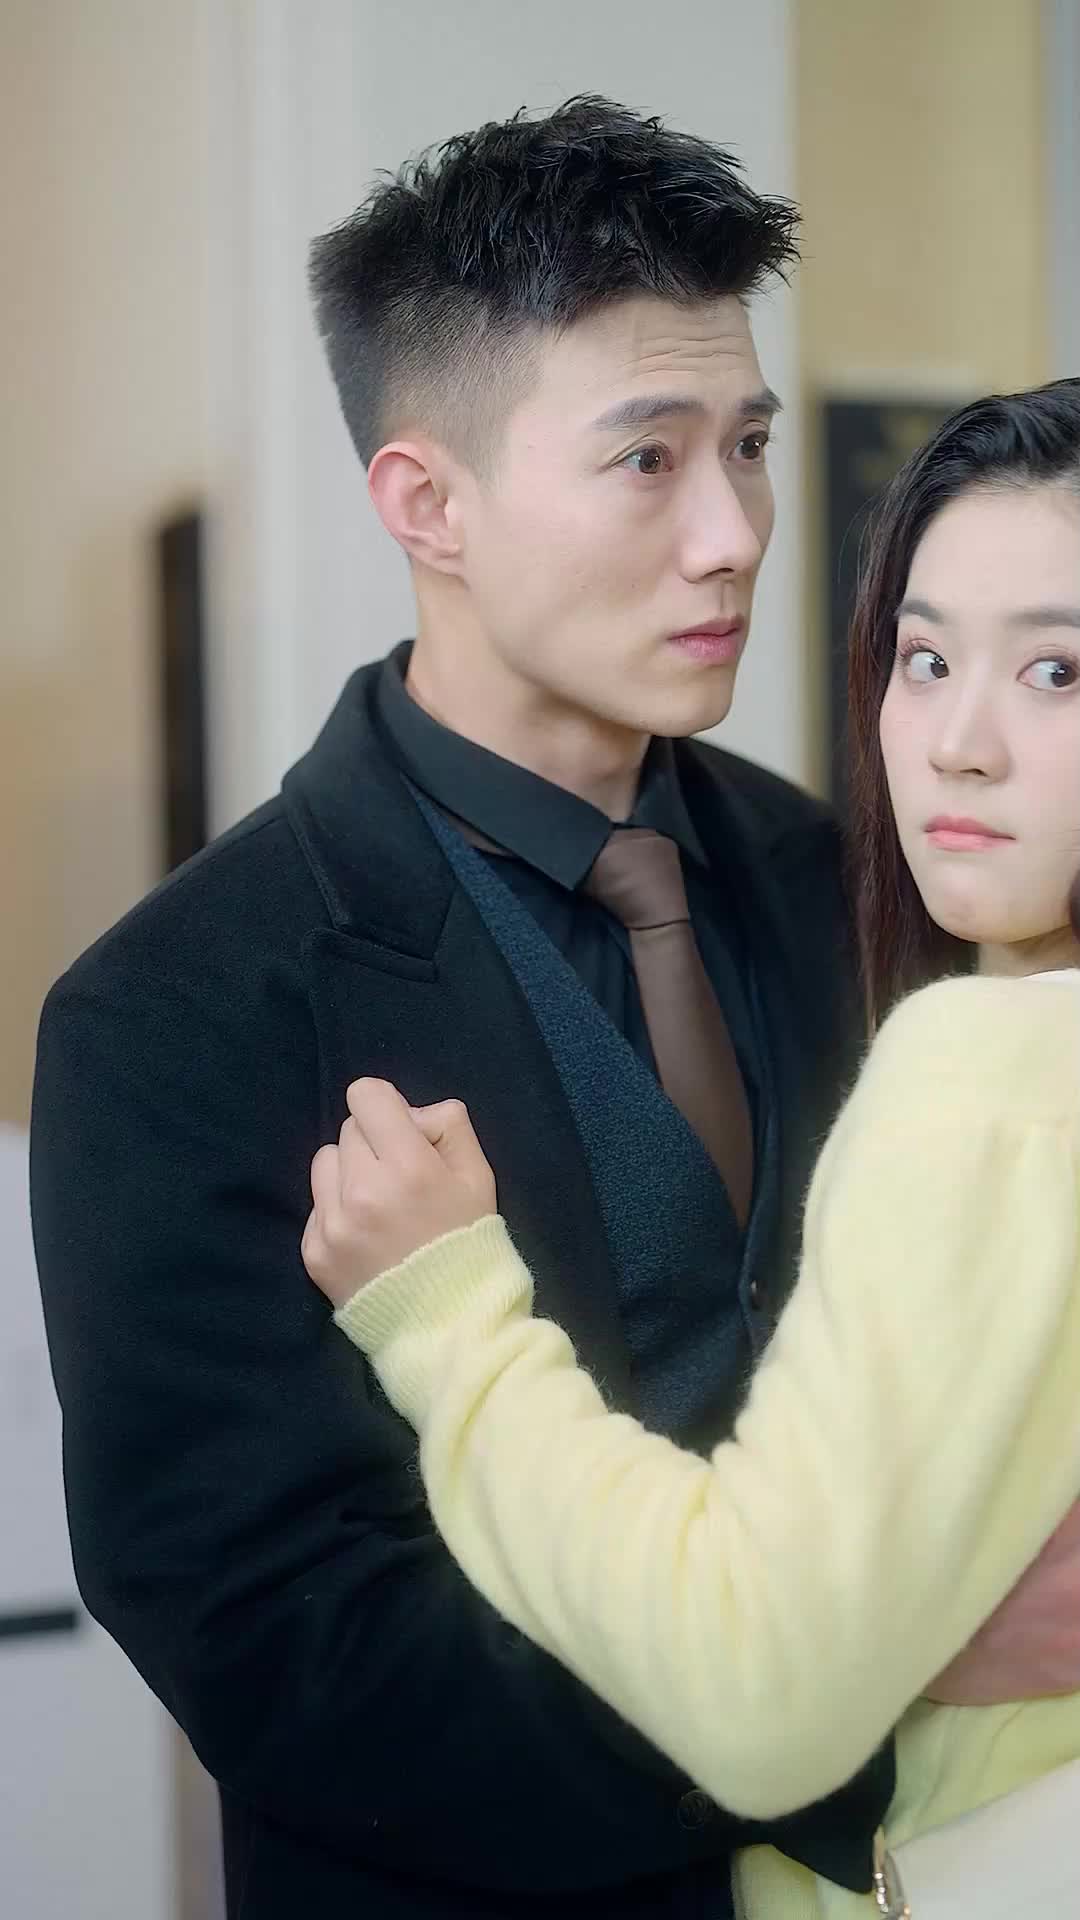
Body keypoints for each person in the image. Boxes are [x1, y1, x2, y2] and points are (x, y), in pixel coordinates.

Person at [31, 96, 895, 1920]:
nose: (735, 533)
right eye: (649, 459)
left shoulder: (833, 875)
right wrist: (809, 1719)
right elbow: (278, 1632)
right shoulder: (174, 1011)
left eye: (748, 445)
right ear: (427, 503)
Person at [300, 379, 1080, 1916]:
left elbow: (755, 1694)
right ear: (427, 504)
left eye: (1058, 672)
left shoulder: (977, 1075)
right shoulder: (184, 994)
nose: (960, 746)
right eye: (926, 658)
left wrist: (452, 1324)